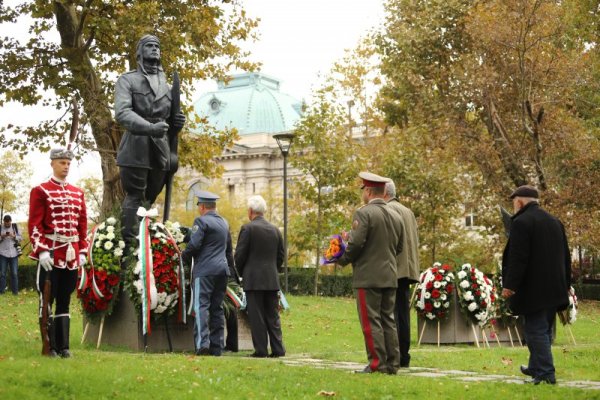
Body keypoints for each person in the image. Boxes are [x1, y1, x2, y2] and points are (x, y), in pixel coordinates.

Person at [114, 34, 186, 245]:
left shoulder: (167, 85)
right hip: (136, 147)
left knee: (149, 198)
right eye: (149, 46)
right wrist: (150, 128)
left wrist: (177, 123)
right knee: (135, 196)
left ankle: (145, 241)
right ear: (139, 52)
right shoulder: (127, 80)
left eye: (157, 46)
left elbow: (170, 122)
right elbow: (123, 113)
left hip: (160, 149)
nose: (155, 49)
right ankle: (129, 248)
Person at [501, 185, 571, 385]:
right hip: (554, 288)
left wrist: (510, 285)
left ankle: (545, 373)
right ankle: (535, 367)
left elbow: (518, 258)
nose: (514, 207)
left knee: (535, 331)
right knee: (542, 329)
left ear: (520, 202)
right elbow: (565, 256)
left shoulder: (522, 222)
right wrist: (566, 284)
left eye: (514, 203)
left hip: (534, 289)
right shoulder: (554, 221)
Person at [338, 172, 402, 374]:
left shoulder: (363, 213)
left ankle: (377, 364)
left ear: (368, 191)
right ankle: (392, 364)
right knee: (388, 321)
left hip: (368, 277)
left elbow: (356, 244)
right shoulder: (396, 215)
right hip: (389, 276)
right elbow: (398, 247)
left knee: (371, 321)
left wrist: (342, 258)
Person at [28, 148, 88, 358]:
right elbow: (35, 224)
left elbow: (82, 225)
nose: (66, 166)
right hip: (51, 254)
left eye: (68, 163)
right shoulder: (40, 191)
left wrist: (82, 251)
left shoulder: (77, 193)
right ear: (52, 163)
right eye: (62, 162)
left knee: (64, 298)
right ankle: (49, 346)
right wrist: (42, 250)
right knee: (47, 299)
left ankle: (64, 347)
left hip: (70, 256)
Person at [181, 191, 233, 356]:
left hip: (205, 271)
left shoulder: (201, 221)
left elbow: (195, 245)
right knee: (217, 308)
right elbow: (228, 250)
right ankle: (217, 347)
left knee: (201, 306)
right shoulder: (224, 222)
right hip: (222, 271)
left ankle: (202, 344)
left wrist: (183, 256)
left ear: (202, 206)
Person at [234, 195, 285, 358]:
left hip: (253, 279)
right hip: (271, 279)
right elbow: (280, 256)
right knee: (273, 316)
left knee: (257, 317)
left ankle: (261, 350)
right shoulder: (275, 230)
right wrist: (272, 270)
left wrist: (241, 274)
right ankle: (278, 349)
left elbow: (239, 255)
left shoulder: (247, 229)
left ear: (250, 211)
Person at [383, 180, 420, 368]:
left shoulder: (388, 210)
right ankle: (404, 355)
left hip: (394, 268)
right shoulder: (408, 211)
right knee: (403, 314)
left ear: (384, 193)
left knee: (391, 315)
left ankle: (396, 356)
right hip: (408, 268)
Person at [0, 214, 22, 295]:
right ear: (3, 221)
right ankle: (1, 292)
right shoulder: (0, 227)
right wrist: (2, 236)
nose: (7, 225)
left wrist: (14, 236)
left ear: (10, 221)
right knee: (2, 273)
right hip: (2, 253)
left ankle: (15, 292)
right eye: (6, 223)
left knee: (14, 273)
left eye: (8, 223)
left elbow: (20, 238)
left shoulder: (15, 226)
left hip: (14, 253)